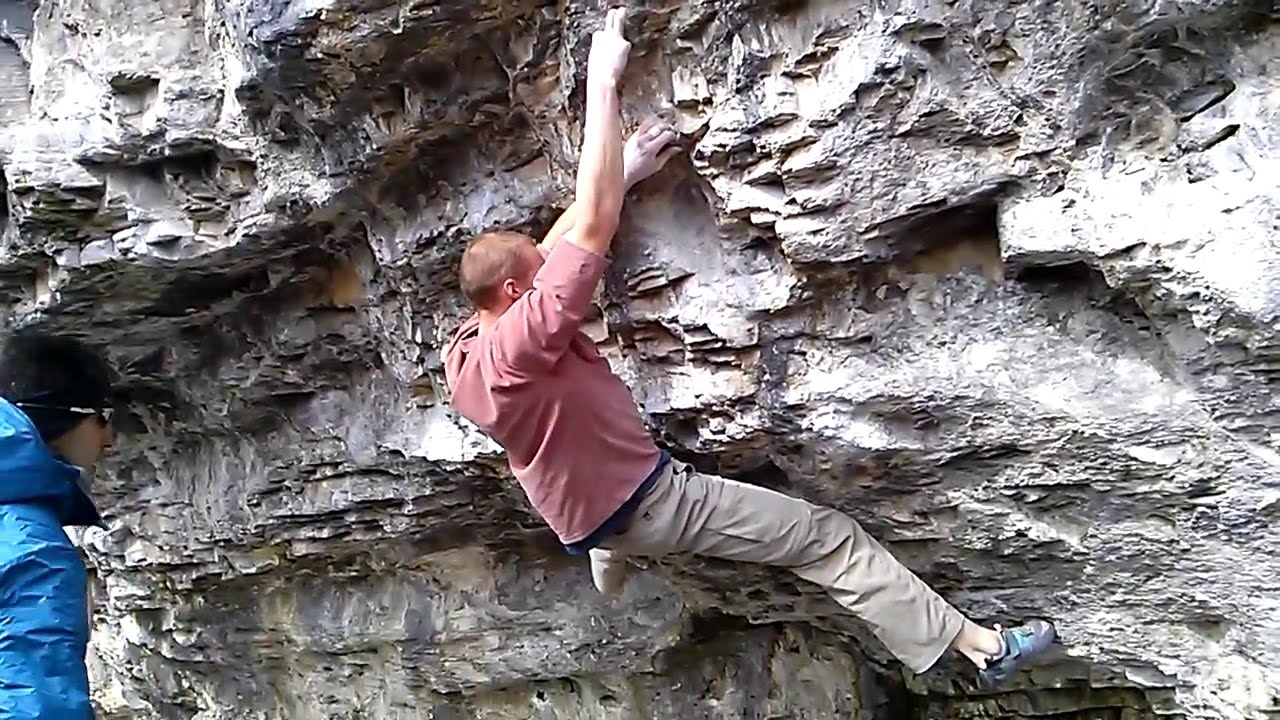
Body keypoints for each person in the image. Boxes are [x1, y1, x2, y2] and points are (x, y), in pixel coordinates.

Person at [443, 6, 1057, 688]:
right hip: (652, 502)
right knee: (828, 540)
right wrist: (602, 81)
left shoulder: (470, 345)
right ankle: (979, 648)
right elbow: (588, 222)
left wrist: (632, 172)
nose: (549, 266)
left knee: (601, 518)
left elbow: (557, 245)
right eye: (536, 275)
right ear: (513, 291)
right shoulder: (526, 341)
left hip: (583, 504)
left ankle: (602, 547)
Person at [0, 330, 116, 719]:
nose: (109, 438)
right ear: (61, 420)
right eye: (102, 416)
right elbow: (36, 706)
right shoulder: (35, 552)